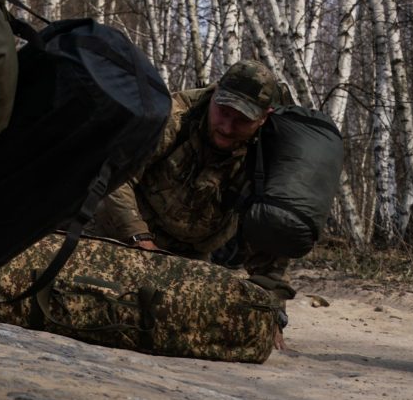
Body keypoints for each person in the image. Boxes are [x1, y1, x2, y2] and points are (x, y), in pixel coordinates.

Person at [91, 62, 290, 267]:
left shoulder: (268, 151)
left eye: (242, 120)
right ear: (215, 93)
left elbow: (279, 218)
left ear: (264, 117)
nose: (227, 128)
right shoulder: (173, 117)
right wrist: (138, 236)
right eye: (224, 112)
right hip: (120, 231)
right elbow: (115, 176)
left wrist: (269, 282)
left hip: (191, 253)